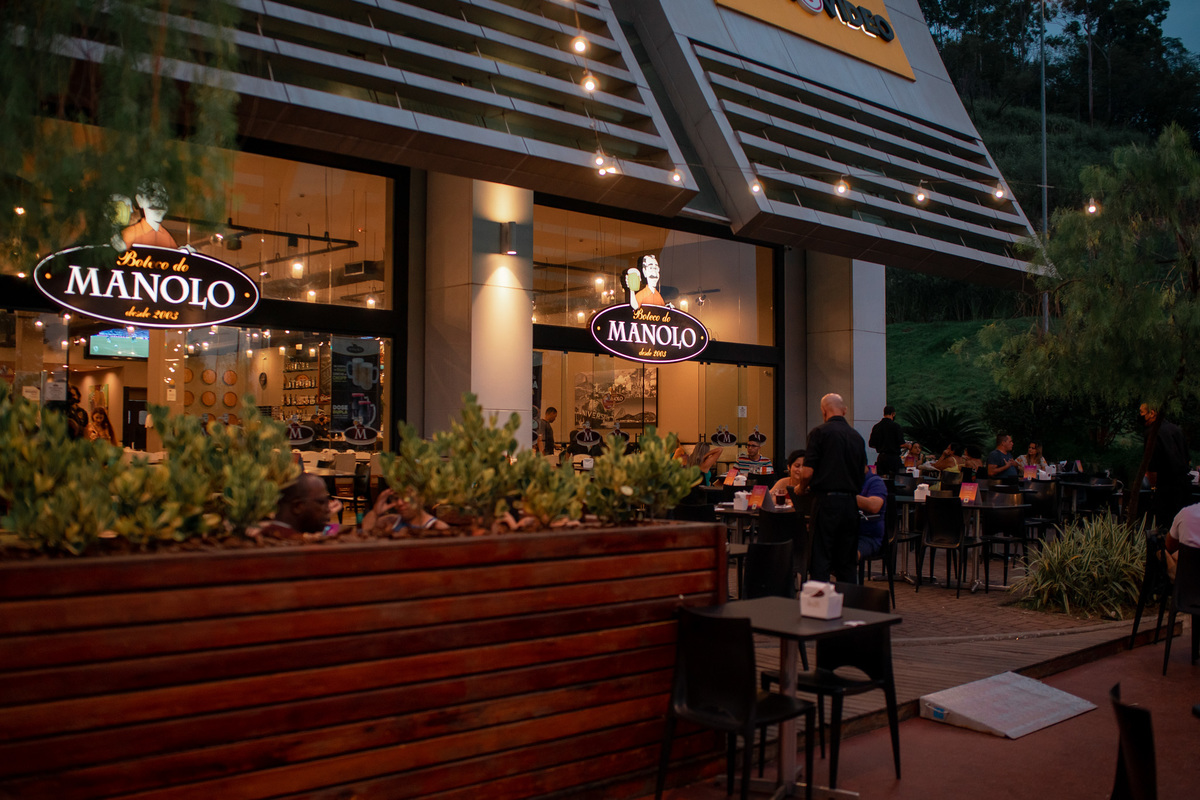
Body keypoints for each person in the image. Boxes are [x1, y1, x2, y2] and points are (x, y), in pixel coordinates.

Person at [799, 393, 867, 583]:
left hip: (826, 502)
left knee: (821, 558)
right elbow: (864, 470)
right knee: (847, 561)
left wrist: (801, 488)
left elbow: (807, 472)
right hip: (850, 504)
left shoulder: (819, 433)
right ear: (844, 411)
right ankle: (848, 598)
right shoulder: (856, 437)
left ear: (823, 411)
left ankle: (821, 599)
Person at [1141, 403, 1192, 529]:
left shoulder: (1152, 433)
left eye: (1142, 412)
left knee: (1165, 526)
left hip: (1165, 487)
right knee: (1182, 525)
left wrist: (1153, 488)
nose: (1140, 416)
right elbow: (1188, 460)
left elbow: (1151, 466)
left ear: (1152, 413)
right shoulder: (1176, 429)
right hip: (1184, 485)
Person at [256, 474, 341, 538]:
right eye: (321, 502)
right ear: (298, 507)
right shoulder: (293, 546)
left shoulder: (263, 536)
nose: (328, 510)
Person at [116, 179, 179, 251]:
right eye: (151, 199)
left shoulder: (168, 238)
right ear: (139, 200)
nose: (158, 206)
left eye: (163, 199)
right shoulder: (129, 235)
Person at [361, 487, 447, 536]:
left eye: (406, 498)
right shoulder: (391, 521)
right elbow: (364, 533)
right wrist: (375, 512)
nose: (399, 503)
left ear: (420, 499)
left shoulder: (437, 527)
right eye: (396, 498)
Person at [857, 466, 888, 561]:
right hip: (841, 534)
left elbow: (874, 506)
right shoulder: (846, 481)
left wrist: (847, 495)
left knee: (845, 555)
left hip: (866, 536)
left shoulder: (875, 482)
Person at [868, 405, 904, 477]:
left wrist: (881, 446)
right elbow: (901, 444)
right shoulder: (896, 426)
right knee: (896, 479)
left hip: (881, 458)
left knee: (882, 478)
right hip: (894, 459)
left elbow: (871, 444)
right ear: (893, 414)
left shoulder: (876, 426)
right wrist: (909, 446)